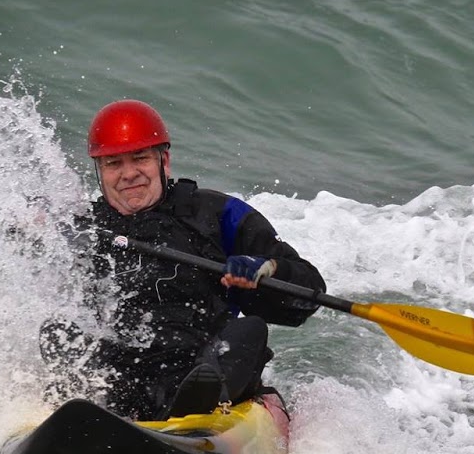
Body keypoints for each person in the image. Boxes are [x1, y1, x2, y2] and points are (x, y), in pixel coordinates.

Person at [42, 99, 325, 420]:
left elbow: (308, 291)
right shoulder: (84, 228)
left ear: (164, 161)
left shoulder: (217, 214)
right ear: (100, 171)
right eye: (114, 163)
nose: (129, 173)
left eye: (140, 159)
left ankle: (195, 412)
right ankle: (82, 416)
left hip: (203, 367)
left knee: (250, 330)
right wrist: (27, 227)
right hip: (123, 375)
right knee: (57, 333)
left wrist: (268, 270)